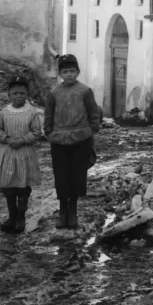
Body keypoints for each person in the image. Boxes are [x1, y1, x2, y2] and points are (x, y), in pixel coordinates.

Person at [44, 55, 102, 229]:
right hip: (59, 141)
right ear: (60, 73)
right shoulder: (54, 93)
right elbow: (48, 114)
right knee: (61, 175)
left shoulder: (85, 91)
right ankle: (63, 212)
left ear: (78, 72)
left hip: (80, 140)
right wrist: (49, 132)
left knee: (77, 175)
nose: (69, 74)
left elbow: (94, 112)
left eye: (72, 71)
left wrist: (92, 130)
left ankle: (73, 211)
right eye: (65, 71)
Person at [0, 76, 43, 235]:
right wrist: (6, 138)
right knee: (9, 187)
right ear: (9, 94)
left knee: (23, 188)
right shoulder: (4, 112)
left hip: (25, 154)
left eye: (22, 93)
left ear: (27, 93)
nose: (18, 96)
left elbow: (37, 132)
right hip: (8, 154)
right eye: (15, 93)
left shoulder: (31, 112)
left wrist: (22, 140)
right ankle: (11, 217)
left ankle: (21, 218)